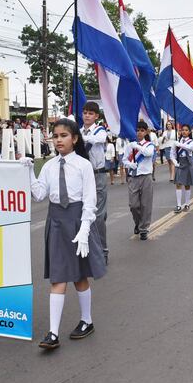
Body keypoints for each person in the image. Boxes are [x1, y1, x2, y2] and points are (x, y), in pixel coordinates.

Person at [23, 118, 106, 350]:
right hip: (57, 221)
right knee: (58, 276)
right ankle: (52, 333)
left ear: (75, 138)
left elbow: (91, 200)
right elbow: (39, 194)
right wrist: (29, 171)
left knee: (80, 276)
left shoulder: (83, 165)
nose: (58, 140)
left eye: (64, 135)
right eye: (55, 136)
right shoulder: (49, 166)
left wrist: (84, 229)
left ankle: (87, 320)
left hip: (79, 221)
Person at [80, 101, 110, 263]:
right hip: (82, 177)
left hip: (97, 175)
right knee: (83, 213)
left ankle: (102, 250)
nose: (87, 116)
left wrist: (78, 137)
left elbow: (97, 140)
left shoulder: (100, 131)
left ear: (96, 116)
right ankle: (85, 247)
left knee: (98, 216)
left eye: (90, 113)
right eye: (85, 113)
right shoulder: (78, 131)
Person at [122, 121, 155, 240]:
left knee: (146, 204)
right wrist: (130, 165)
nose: (139, 133)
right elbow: (124, 160)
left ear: (146, 132)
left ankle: (144, 228)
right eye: (137, 130)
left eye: (142, 130)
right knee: (133, 205)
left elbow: (148, 153)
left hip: (146, 176)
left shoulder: (149, 144)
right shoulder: (130, 145)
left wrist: (136, 146)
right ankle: (138, 222)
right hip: (133, 176)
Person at [172, 124, 193, 213]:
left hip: (187, 163)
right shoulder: (177, 141)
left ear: (189, 132)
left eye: (186, 130)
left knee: (187, 184)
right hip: (180, 163)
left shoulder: (192, 142)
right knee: (178, 184)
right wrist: (175, 163)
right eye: (183, 130)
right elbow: (172, 153)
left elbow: (189, 148)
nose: (184, 132)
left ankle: (187, 203)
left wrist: (179, 144)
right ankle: (178, 205)